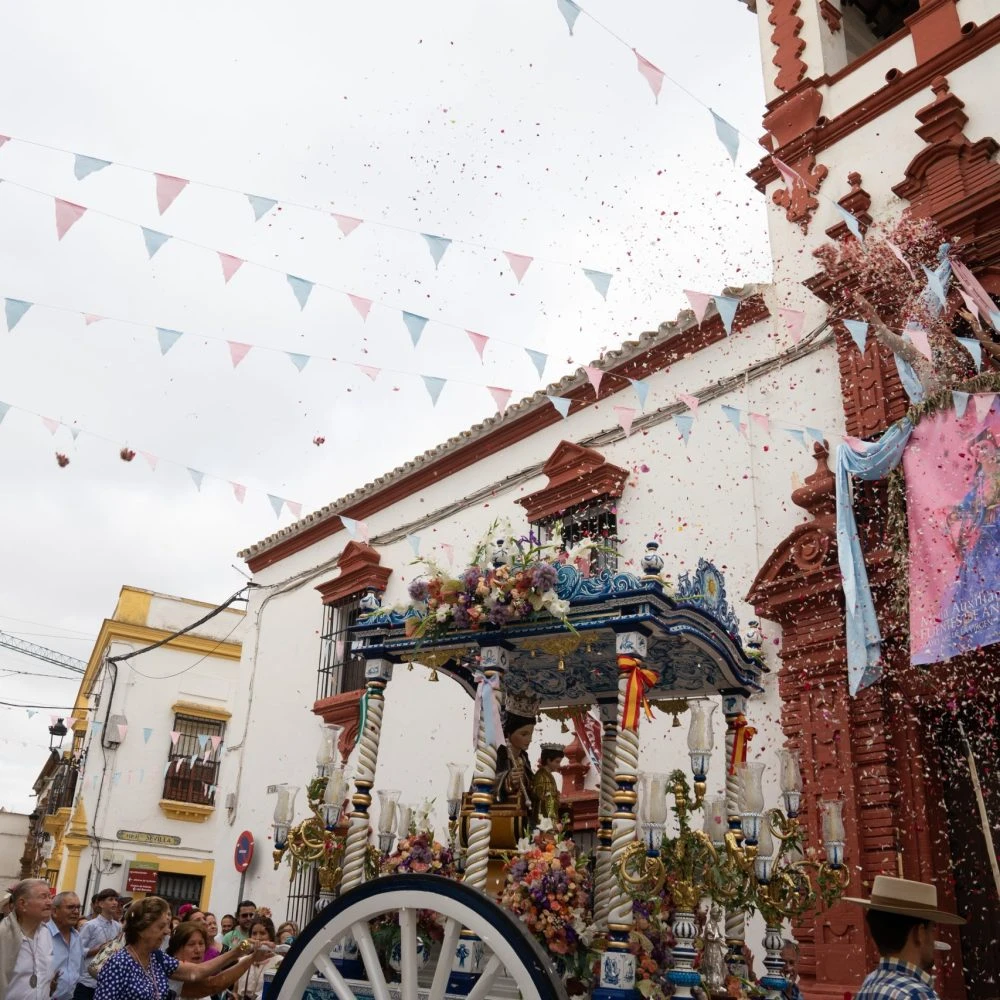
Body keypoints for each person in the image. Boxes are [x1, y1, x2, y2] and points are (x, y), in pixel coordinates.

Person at [93, 897, 270, 1000]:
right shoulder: (118, 963)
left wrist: (239, 952)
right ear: (141, 929)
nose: (166, 931)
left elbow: (198, 972)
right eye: (161, 926)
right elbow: (210, 984)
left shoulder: (157, 958)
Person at [846, 875, 965, 1000]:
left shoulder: (868, 985)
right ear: (920, 933)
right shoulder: (918, 995)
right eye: (932, 929)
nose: (933, 942)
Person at [164, 922, 269, 999]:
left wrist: (252, 957)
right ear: (176, 949)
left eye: (201, 943)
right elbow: (214, 984)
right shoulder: (171, 972)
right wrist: (241, 953)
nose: (198, 950)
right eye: (191, 944)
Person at [0, 878, 54, 1000]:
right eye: (43, 897)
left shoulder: (46, 933)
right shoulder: (3, 935)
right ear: (22, 904)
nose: (50, 902)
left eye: (50, 897)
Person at [76, 889, 122, 1000]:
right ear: (101, 904)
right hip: (87, 980)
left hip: (106, 982)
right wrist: (98, 949)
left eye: (116, 900)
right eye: (110, 899)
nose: (115, 903)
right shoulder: (90, 925)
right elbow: (77, 951)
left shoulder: (118, 926)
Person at [494, 710, 535, 811]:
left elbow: (530, 785)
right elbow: (483, 785)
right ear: (508, 734)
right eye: (524, 734)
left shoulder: (524, 757)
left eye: (531, 734)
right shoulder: (496, 756)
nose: (530, 739)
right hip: (502, 814)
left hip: (522, 811)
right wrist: (507, 780)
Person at [47, 892, 84, 1000]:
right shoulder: (43, 934)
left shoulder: (77, 937)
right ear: (54, 911)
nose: (76, 912)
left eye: (78, 908)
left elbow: (79, 970)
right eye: (70, 907)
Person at [230, 919, 279, 1000]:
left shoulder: (279, 962)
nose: (258, 938)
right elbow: (235, 991)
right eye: (254, 933)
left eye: (262, 933)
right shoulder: (242, 960)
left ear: (270, 936)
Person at [531, 743, 564, 827]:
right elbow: (542, 798)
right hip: (543, 820)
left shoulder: (549, 775)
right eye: (557, 762)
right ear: (549, 760)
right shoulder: (541, 776)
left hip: (550, 818)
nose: (559, 765)